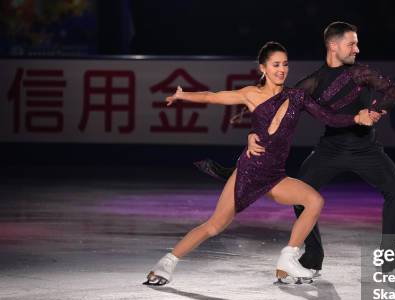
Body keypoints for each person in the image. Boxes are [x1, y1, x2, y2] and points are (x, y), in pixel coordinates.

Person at [143, 41, 379, 286]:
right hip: (249, 171)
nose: (281, 69)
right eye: (276, 64)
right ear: (263, 68)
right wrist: (183, 95)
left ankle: (287, 260)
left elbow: (327, 116)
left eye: (285, 64)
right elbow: (213, 97)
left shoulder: (297, 97)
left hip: (275, 176)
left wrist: (356, 117)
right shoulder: (251, 94)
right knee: (214, 225)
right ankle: (166, 264)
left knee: (315, 201)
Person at [199, 22, 395, 275]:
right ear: (333, 45)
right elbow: (275, 106)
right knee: (301, 196)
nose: (357, 49)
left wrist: (374, 111)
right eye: (351, 43)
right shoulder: (313, 82)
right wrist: (253, 131)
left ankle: (390, 257)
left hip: (366, 150)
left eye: (357, 43)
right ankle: (313, 255)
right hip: (329, 150)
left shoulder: (361, 73)